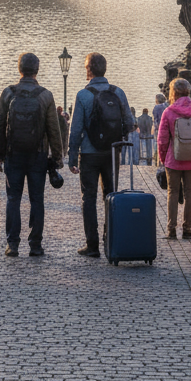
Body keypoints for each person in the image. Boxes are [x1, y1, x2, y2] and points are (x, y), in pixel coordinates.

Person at [0, 52, 64, 257]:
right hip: (37, 156)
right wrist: (57, 157)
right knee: (37, 199)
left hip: (13, 155)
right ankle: (35, 244)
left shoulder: (8, 93)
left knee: (13, 198)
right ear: (37, 70)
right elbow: (53, 129)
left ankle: (12, 244)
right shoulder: (45, 95)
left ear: (19, 69)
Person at [68, 52, 135, 259]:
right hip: (112, 152)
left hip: (88, 154)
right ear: (104, 69)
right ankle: (111, 239)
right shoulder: (118, 92)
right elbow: (131, 124)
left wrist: (71, 156)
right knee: (111, 195)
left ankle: (92, 245)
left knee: (88, 198)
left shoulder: (83, 95)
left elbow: (76, 128)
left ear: (89, 70)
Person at [157, 78, 191, 240]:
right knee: (190, 193)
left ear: (173, 93)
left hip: (173, 159)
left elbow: (162, 140)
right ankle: (187, 229)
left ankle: (171, 229)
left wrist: (163, 159)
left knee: (173, 193)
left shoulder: (168, 112)